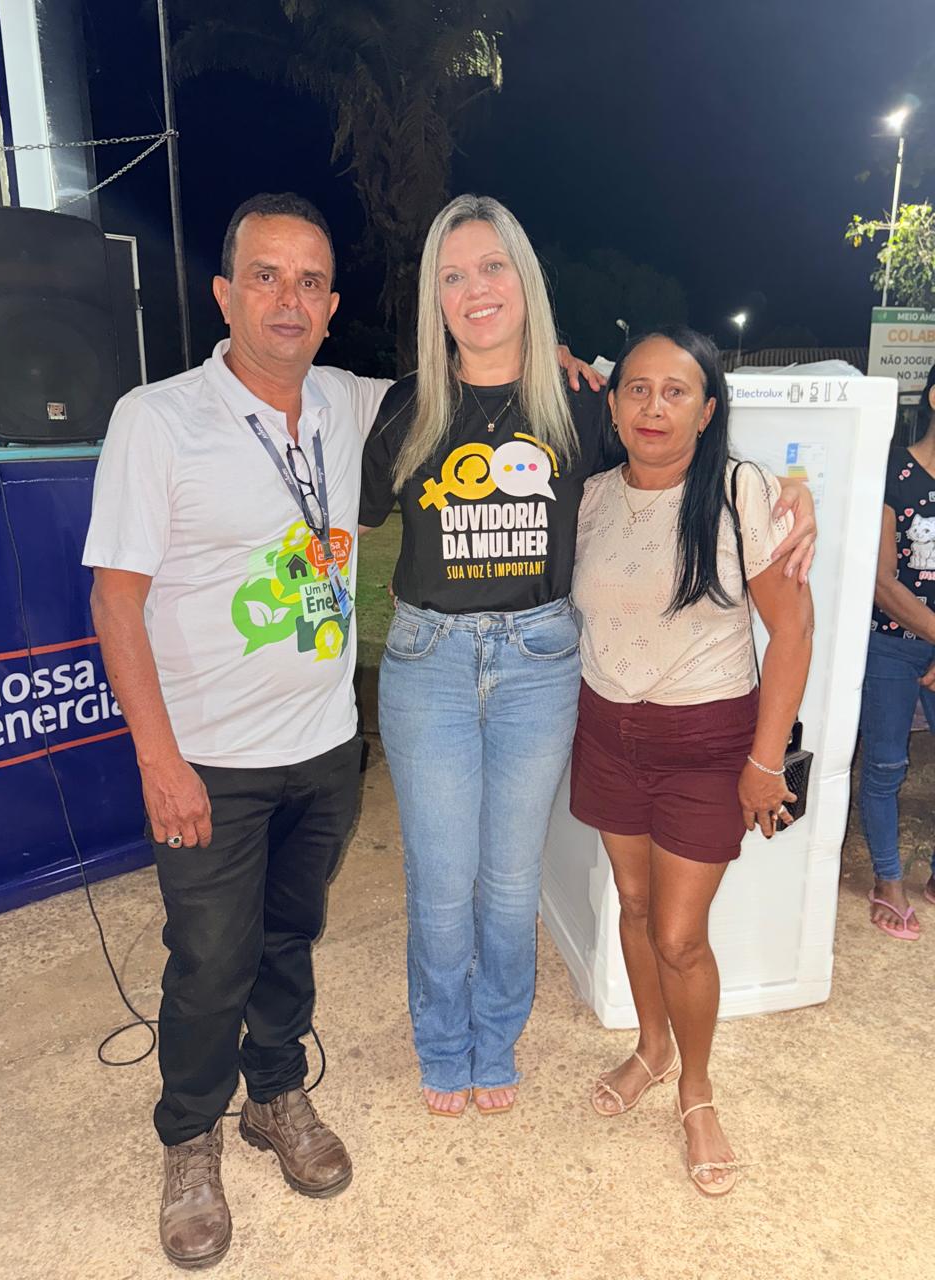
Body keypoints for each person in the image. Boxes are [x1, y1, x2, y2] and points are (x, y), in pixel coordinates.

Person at [358, 197, 817, 1120]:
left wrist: (796, 487)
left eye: (493, 268)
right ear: (434, 296)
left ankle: (498, 1040)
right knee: (440, 880)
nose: (476, 289)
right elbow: (352, 524)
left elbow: (677, 441)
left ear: (524, 281)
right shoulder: (406, 404)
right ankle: (444, 1045)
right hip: (429, 659)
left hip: (538, 662)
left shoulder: (578, 401)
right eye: (453, 275)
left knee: (510, 879)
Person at [84, 193, 393, 1269]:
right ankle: (187, 1136)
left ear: (333, 305)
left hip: (324, 746)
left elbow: (478, 384)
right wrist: (158, 761)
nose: (288, 300)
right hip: (209, 760)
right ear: (224, 294)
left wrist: (585, 368)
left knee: (287, 936)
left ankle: (275, 1092)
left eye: (311, 281)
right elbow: (115, 602)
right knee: (211, 959)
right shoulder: (157, 419)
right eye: (266, 275)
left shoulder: (351, 402)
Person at [570, 328, 813, 1197]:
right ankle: (651, 1047)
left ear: (708, 411)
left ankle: (697, 1092)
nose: (654, 407)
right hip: (607, 731)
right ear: (613, 403)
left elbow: (794, 630)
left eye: (676, 391)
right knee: (633, 905)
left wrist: (765, 761)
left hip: (707, 745)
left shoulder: (743, 492)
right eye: (637, 388)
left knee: (679, 935)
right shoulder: (591, 498)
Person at [858, 361, 935, 940]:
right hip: (891, 645)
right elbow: (882, 581)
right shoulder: (893, 471)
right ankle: (888, 880)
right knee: (885, 765)